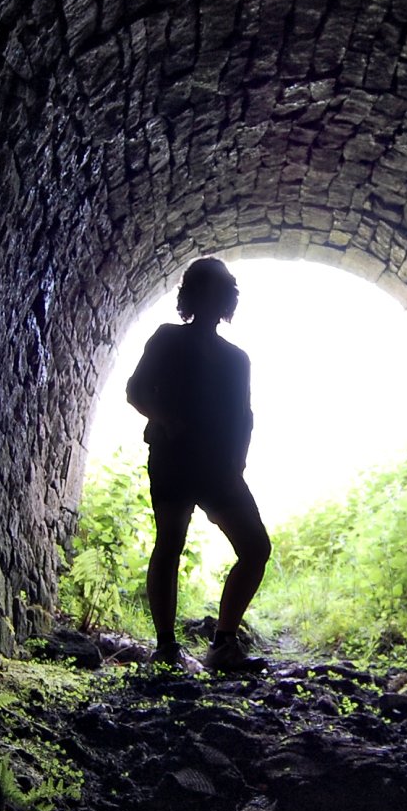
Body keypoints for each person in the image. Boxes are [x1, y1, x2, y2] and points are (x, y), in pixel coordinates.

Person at [124, 258, 271, 671]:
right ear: (191, 295)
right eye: (207, 288)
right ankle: (167, 647)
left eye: (220, 290)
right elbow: (135, 391)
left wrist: (238, 459)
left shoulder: (237, 358)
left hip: (219, 468)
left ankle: (222, 643)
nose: (214, 297)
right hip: (174, 458)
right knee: (170, 544)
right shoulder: (168, 339)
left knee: (255, 548)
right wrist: (166, 420)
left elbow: (245, 415)